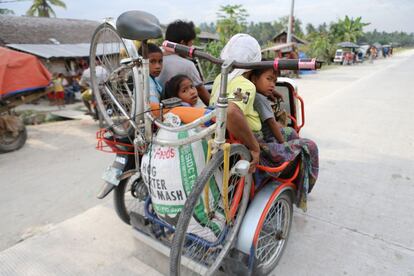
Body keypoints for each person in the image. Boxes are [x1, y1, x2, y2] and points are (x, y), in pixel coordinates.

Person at [210, 33, 319, 211]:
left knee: (291, 133)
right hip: (254, 145)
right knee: (311, 146)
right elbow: (231, 111)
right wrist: (254, 147)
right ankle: (301, 191)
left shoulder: (220, 80)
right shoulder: (245, 85)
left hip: (229, 141)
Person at [157, 20, 210, 106]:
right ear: (182, 44)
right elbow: (201, 91)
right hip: (181, 112)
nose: (192, 48)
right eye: (190, 44)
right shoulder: (187, 65)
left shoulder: (155, 59)